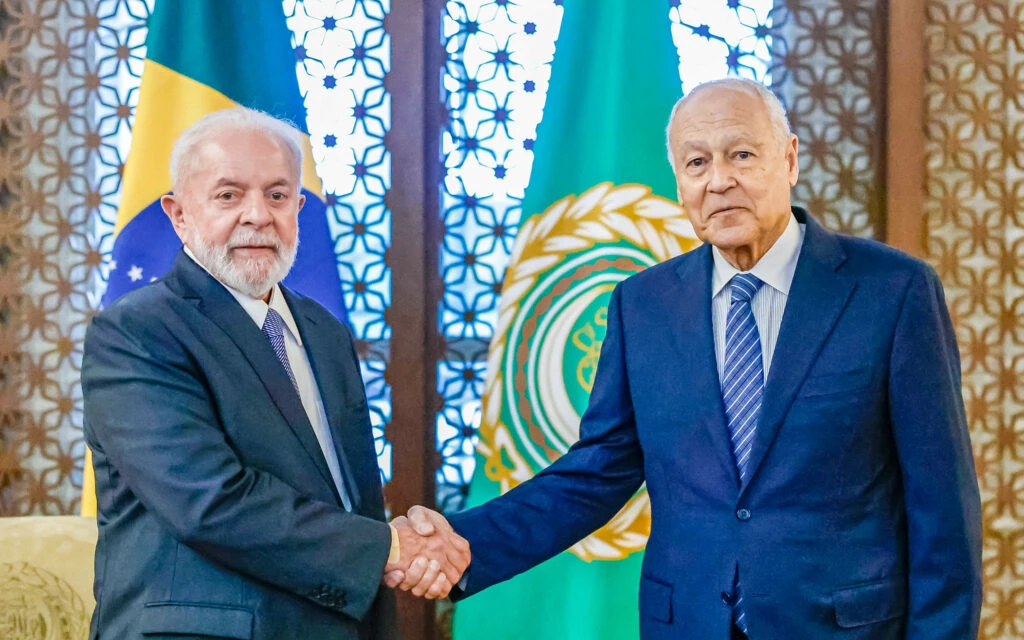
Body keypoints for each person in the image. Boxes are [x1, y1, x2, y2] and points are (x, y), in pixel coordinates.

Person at [391, 79, 983, 639]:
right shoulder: (642, 305)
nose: (719, 180)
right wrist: (463, 544)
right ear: (679, 182)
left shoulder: (892, 292)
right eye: (697, 163)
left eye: (742, 155)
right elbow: (595, 473)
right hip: (687, 622)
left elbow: (942, 508)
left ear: (790, 160)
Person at [82, 107, 469, 640]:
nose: (258, 215)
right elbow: (208, 501)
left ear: (298, 208)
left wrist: (390, 544)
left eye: (278, 194)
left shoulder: (325, 332)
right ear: (178, 214)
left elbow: (345, 498)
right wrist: (392, 547)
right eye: (228, 195)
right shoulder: (136, 332)